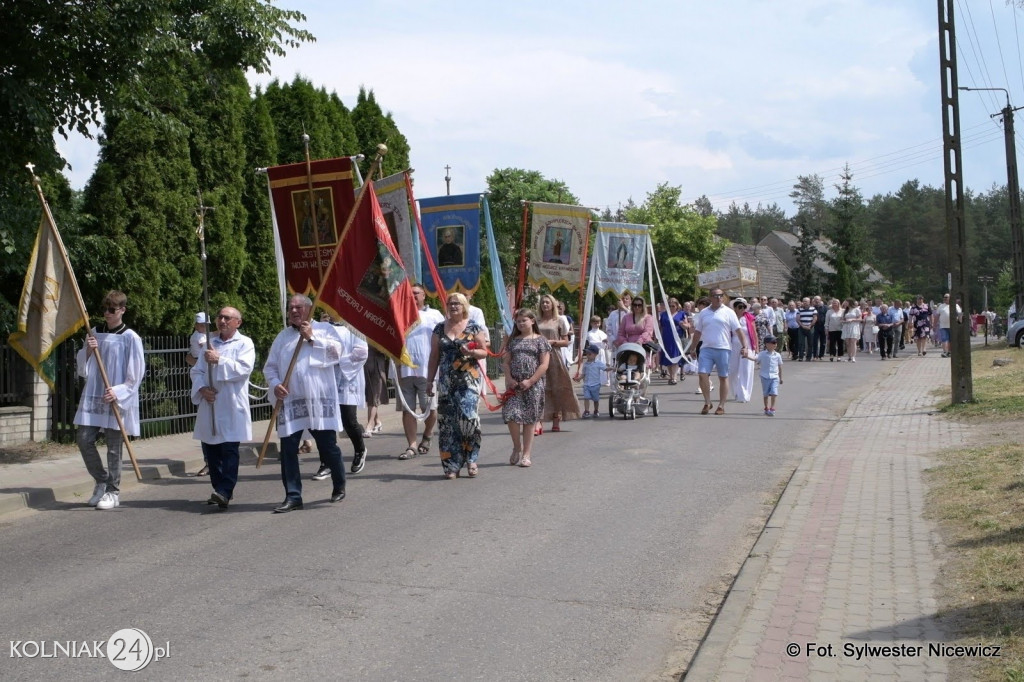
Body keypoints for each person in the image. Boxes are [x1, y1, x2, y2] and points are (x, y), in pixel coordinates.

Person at [264, 294, 347, 513]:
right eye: (291, 308)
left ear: (309, 309)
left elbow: (337, 353)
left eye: (298, 307)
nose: (293, 311)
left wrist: (312, 338)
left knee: (328, 447)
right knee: (289, 449)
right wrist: (275, 384)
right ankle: (293, 495)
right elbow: (270, 367)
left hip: (318, 400)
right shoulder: (282, 337)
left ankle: (339, 484)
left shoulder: (325, 330)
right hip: (291, 401)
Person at [74, 291, 145, 510]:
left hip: (116, 396)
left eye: (111, 310)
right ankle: (101, 480)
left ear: (122, 310)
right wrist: (88, 349)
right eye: (104, 309)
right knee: (84, 439)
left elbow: (136, 372)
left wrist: (120, 391)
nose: (106, 313)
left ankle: (113, 491)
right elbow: (84, 368)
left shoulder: (130, 337)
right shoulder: (94, 332)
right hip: (96, 393)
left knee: (114, 446)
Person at [190, 306, 254, 509]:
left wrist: (220, 360)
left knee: (229, 450)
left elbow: (244, 369)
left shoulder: (245, 343)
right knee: (211, 450)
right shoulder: (210, 344)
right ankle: (219, 489)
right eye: (220, 317)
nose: (222, 321)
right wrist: (201, 388)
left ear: (238, 322)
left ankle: (225, 490)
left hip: (231, 404)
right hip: (211, 404)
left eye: (227, 318)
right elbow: (197, 371)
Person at [427, 292, 487, 479]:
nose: (453, 307)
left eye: (457, 304)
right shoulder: (438, 329)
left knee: (469, 419)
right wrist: (430, 381)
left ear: (464, 307)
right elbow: (434, 356)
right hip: (446, 382)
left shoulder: (474, 327)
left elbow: (484, 352)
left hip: (468, 380)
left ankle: (471, 458)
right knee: (447, 423)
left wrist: (471, 352)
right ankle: (451, 465)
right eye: (450, 303)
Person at [312, 317, 368, 478]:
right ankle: (326, 462)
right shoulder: (321, 327)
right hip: (325, 379)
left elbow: (361, 352)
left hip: (347, 379)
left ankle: (360, 449)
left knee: (348, 420)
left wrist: (336, 359)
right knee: (324, 423)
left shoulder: (355, 327)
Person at [396, 284, 445, 460]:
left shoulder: (434, 315)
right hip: (405, 368)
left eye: (416, 293)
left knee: (428, 407)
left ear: (424, 295)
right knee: (407, 409)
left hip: (427, 369)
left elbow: (443, 339)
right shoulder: (399, 313)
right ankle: (411, 445)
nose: (413, 296)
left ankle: (428, 433)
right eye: (410, 294)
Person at [501, 308, 551, 467]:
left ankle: (526, 454)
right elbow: (506, 363)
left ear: (532, 321)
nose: (521, 323)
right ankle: (517, 446)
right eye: (518, 321)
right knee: (511, 414)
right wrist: (509, 379)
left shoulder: (541, 340)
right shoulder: (513, 340)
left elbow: (544, 365)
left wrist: (530, 381)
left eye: (524, 320)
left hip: (533, 385)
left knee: (530, 419)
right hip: (514, 385)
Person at [689, 288, 748, 415]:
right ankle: (707, 402)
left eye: (721, 296)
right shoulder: (704, 312)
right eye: (715, 296)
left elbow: (738, 331)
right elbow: (698, 332)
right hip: (706, 348)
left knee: (723, 377)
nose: (718, 298)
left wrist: (745, 347)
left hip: (723, 348)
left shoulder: (729, 312)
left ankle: (721, 405)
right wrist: (692, 348)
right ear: (710, 297)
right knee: (702, 374)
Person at [537, 293, 581, 433]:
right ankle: (539, 421)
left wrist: (552, 342)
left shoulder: (560, 320)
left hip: (554, 356)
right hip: (538, 356)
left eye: (547, 302)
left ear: (553, 305)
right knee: (540, 388)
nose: (545, 305)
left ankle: (556, 418)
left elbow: (566, 341)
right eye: (543, 302)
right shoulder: (536, 321)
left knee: (556, 387)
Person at [187, 311, 211, 476]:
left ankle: (215, 461)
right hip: (203, 378)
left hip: (209, 376)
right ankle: (209, 462)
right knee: (205, 422)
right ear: (196, 326)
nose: (205, 328)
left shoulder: (205, 336)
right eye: (202, 325)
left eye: (207, 325)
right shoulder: (199, 338)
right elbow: (205, 352)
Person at [729, 298, 757, 403]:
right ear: (735, 308)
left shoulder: (749, 318)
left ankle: (744, 394)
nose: (742, 309)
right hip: (733, 346)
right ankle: (736, 392)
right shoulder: (730, 318)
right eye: (740, 307)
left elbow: (754, 333)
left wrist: (756, 348)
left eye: (744, 307)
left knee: (746, 370)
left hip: (748, 345)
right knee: (733, 371)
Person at [658, 297, 686, 384]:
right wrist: (658, 338)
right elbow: (660, 327)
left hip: (677, 338)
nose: (671, 307)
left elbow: (687, 326)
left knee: (675, 357)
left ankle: (674, 377)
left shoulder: (681, 314)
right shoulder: (663, 314)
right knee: (668, 358)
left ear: (677, 306)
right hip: (666, 338)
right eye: (669, 306)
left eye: (673, 306)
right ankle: (671, 376)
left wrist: (682, 324)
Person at [362, 344, 388, 437]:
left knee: (374, 396)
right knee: (369, 396)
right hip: (364, 364)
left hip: (376, 365)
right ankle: (377, 422)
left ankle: (369, 425)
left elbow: (385, 349)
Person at [754, 335, 784, 416]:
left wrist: (781, 378)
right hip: (764, 376)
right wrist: (747, 356)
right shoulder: (762, 354)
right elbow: (755, 359)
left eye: (776, 343)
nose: (775, 344)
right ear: (767, 344)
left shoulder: (777, 355)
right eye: (773, 342)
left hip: (774, 377)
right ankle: (766, 407)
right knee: (766, 394)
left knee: (774, 393)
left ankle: (772, 408)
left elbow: (780, 366)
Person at [575, 344, 606, 418]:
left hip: (595, 384)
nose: (588, 356)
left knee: (596, 399)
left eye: (590, 354)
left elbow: (605, 368)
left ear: (595, 355)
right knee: (586, 398)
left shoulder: (598, 363)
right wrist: (579, 378)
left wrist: (611, 368)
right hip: (587, 384)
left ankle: (596, 410)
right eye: (587, 354)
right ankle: (586, 411)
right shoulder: (585, 364)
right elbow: (584, 373)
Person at [936, 293, 961, 358]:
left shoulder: (955, 305)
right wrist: (934, 324)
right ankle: (945, 352)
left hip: (953, 326)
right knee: (944, 339)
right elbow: (937, 316)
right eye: (944, 297)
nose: (945, 298)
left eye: (946, 297)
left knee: (951, 340)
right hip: (943, 326)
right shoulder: (941, 306)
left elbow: (959, 314)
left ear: (950, 298)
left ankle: (949, 352)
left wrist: (960, 322)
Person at [796, 297, 817, 362]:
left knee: (810, 343)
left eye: (806, 301)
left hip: (810, 328)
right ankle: (801, 357)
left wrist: (810, 326)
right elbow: (797, 319)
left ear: (809, 302)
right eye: (804, 301)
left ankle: (808, 357)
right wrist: (802, 326)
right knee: (801, 343)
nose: (805, 302)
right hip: (802, 328)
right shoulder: (799, 309)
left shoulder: (813, 309)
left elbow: (815, 318)